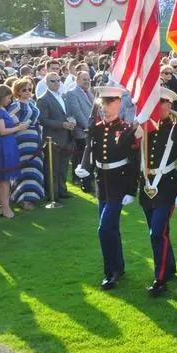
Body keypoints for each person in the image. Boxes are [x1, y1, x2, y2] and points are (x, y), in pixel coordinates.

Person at [74, 85, 139, 291]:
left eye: (110, 103)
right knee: (111, 229)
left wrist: (131, 190)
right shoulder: (97, 128)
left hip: (119, 184)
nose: (105, 107)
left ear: (119, 104)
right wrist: (85, 168)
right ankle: (118, 267)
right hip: (102, 184)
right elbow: (91, 152)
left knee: (104, 229)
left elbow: (134, 162)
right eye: (103, 103)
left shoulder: (127, 129)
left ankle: (110, 272)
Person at [137, 88, 177, 297]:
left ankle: (160, 278)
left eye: (162, 103)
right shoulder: (144, 127)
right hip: (147, 187)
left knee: (156, 232)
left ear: (170, 105)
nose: (158, 107)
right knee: (159, 231)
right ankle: (170, 267)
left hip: (167, 186)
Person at [0, 84, 27, 219]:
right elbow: (1, 131)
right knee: (4, 180)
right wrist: (19, 127)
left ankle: (5, 206)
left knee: (7, 179)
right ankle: (5, 207)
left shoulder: (1, 109)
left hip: (8, 144)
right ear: (1, 96)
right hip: (2, 145)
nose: (9, 101)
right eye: (8, 98)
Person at [8, 78, 45, 210]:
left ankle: (34, 195)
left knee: (34, 165)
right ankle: (22, 198)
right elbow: (9, 117)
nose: (28, 92)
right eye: (24, 90)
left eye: (30, 89)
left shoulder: (32, 103)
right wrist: (19, 124)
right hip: (22, 139)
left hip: (35, 138)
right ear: (17, 91)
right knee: (24, 167)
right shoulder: (16, 104)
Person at [38, 72, 74, 201]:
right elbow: (43, 120)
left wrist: (71, 120)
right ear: (47, 83)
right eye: (53, 81)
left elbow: (67, 114)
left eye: (58, 80)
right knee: (52, 168)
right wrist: (62, 124)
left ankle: (62, 190)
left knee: (63, 167)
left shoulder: (63, 96)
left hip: (67, 136)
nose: (57, 83)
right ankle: (53, 194)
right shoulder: (43, 99)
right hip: (52, 139)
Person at [64, 71, 94, 194]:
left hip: (92, 131)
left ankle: (89, 181)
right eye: (84, 79)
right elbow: (77, 113)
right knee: (83, 159)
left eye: (88, 79)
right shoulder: (72, 93)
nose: (87, 82)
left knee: (90, 159)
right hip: (83, 132)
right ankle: (83, 183)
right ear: (77, 80)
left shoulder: (90, 92)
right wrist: (89, 128)